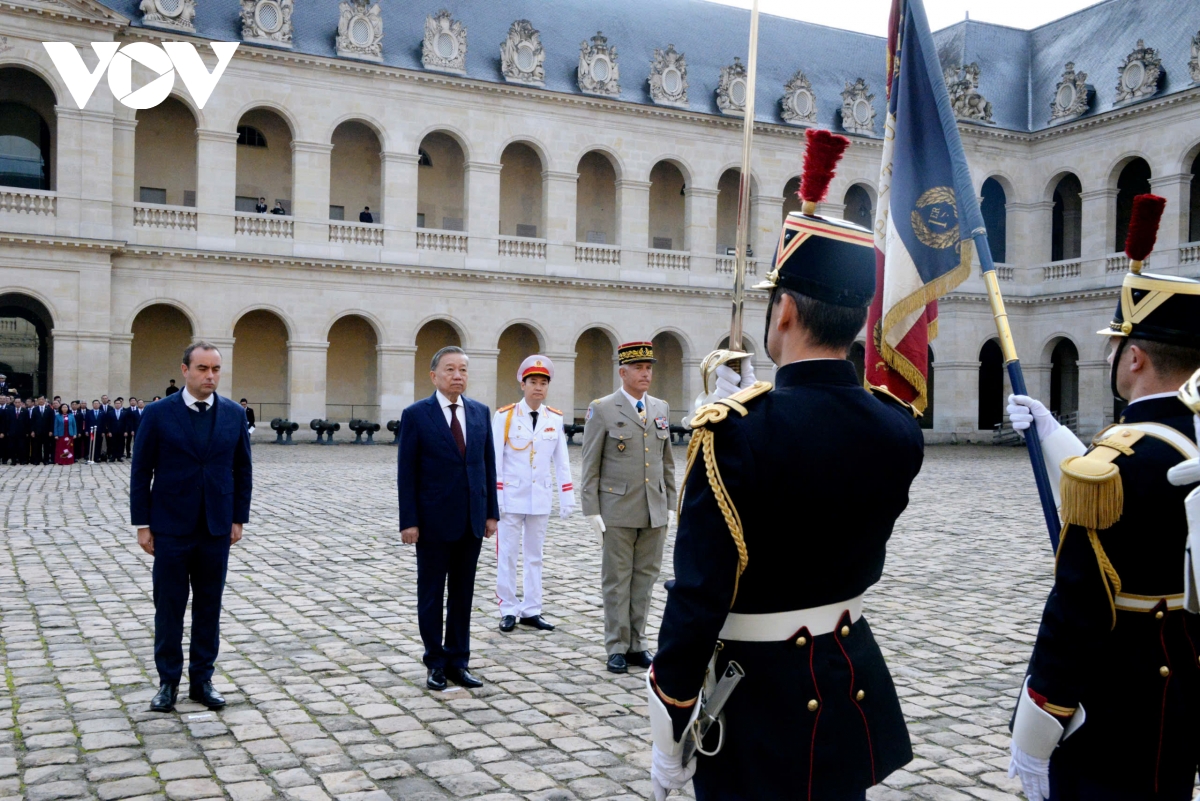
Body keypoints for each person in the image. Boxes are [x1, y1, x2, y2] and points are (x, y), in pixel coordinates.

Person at [647, 138, 926, 801]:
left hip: (756, 705)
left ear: (787, 311)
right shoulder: (897, 427)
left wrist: (669, 727)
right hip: (845, 683)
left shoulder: (733, 434)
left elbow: (697, 600)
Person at [1005, 198, 1200, 801]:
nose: (1112, 354)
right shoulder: (1184, 440)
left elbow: (1078, 610)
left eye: (1117, 344)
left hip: (1121, 690)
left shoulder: (1116, 462)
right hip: (1185, 677)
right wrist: (1051, 433)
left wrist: (1039, 723)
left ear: (1135, 357)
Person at [131, 341, 252, 713]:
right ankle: (168, 682)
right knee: (169, 607)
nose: (210, 376)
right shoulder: (157, 414)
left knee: (209, 607)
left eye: (215, 369)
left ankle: (203, 680)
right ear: (185, 370)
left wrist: (238, 518)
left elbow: (242, 469)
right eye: (202, 369)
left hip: (215, 527)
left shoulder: (233, 414)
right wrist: (142, 524)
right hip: (170, 526)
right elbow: (141, 472)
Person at [397, 346, 498, 692]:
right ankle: (435, 662)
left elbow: (487, 466)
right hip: (432, 522)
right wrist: (409, 521)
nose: (458, 376)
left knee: (463, 594)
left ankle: (459, 660)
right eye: (450, 369)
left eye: (463, 370)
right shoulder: (416, 415)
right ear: (434, 376)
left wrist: (491, 514)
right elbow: (406, 473)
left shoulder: (481, 413)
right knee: (431, 594)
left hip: (471, 520)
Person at [580, 341, 677, 674]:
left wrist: (672, 504)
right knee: (617, 581)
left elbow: (666, 464)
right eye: (638, 368)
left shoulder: (660, 408)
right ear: (622, 372)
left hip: (654, 510)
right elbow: (590, 462)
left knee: (645, 581)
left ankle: (638, 643)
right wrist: (592, 509)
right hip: (617, 509)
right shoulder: (603, 408)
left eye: (649, 368)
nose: (645, 373)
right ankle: (616, 646)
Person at [491, 355, 575, 633]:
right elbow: (494, 460)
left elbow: (561, 462)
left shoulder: (554, 418)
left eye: (543, 383)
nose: (538, 387)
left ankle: (531, 609)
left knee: (534, 556)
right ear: (522, 384)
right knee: (508, 554)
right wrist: (497, 497)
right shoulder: (505, 416)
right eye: (533, 382)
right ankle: (508, 608)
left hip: (540, 497)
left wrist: (566, 496)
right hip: (511, 498)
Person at [29, 396, 53, 465]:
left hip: (46, 431)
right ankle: (37, 460)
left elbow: (51, 421)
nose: (41, 401)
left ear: (45, 400)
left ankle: (46, 460)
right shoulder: (35, 409)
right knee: (37, 446)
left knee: (46, 446)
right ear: (37, 401)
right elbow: (32, 421)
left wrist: (51, 431)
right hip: (37, 431)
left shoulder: (49, 409)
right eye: (39, 399)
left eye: (42, 399)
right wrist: (32, 431)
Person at [8, 398, 28, 464]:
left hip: (21, 433)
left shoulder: (25, 411)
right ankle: (13, 461)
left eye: (18, 402)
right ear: (14, 403)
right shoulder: (10, 410)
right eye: (16, 402)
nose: (17, 404)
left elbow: (27, 422)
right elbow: (7, 422)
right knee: (12, 447)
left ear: (21, 403)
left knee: (21, 447)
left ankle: (21, 460)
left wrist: (27, 432)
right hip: (12, 432)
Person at [108, 398, 127, 463]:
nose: (118, 404)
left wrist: (126, 431)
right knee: (113, 444)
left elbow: (127, 423)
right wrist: (109, 431)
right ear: (114, 404)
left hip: (122, 431)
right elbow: (109, 423)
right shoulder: (110, 412)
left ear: (121, 404)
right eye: (116, 403)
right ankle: (113, 456)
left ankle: (119, 457)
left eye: (119, 403)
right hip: (113, 431)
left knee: (121, 444)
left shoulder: (124, 412)